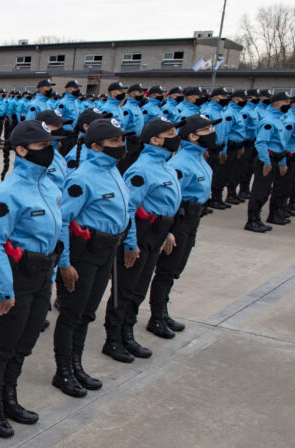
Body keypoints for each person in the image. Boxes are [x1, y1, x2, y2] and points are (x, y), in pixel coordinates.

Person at [0, 120, 66, 438]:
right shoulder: (7, 193)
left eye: (51, 145)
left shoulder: (50, 186)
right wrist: (3, 289)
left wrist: (54, 272)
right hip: (14, 279)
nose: (51, 151)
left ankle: (9, 397)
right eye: (44, 146)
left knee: (25, 343)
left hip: (42, 276)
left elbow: (56, 234)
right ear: (21, 150)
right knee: (4, 346)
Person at [52, 118, 136, 398]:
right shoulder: (82, 177)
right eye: (114, 141)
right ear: (96, 146)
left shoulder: (114, 171)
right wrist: (64, 264)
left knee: (87, 312)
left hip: (107, 251)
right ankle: (63, 371)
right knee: (71, 314)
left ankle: (77, 364)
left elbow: (126, 209)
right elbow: (63, 222)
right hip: (84, 253)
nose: (121, 145)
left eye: (121, 140)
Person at [102, 116, 182, 363]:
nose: (175, 138)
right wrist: (131, 243)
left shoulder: (166, 165)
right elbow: (129, 209)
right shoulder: (140, 169)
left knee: (139, 287)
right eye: (169, 135)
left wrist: (167, 231)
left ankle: (128, 332)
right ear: (155, 140)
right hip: (140, 233)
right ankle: (113, 339)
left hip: (157, 232)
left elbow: (166, 204)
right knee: (125, 289)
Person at [147, 114, 217, 339]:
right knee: (167, 268)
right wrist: (167, 230)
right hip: (179, 220)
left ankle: (163, 312)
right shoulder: (180, 162)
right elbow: (169, 199)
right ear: (194, 136)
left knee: (176, 268)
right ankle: (156, 316)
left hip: (193, 218)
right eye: (207, 130)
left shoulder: (198, 157)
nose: (212, 133)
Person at [245, 91, 292, 231]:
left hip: (276, 158)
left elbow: (281, 144)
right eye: (286, 103)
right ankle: (252, 220)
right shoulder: (269, 121)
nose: (288, 106)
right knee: (260, 191)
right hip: (267, 160)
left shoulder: (280, 119)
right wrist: (266, 162)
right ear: (277, 103)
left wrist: (282, 163)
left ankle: (257, 219)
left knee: (266, 191)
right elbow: (261, 143)